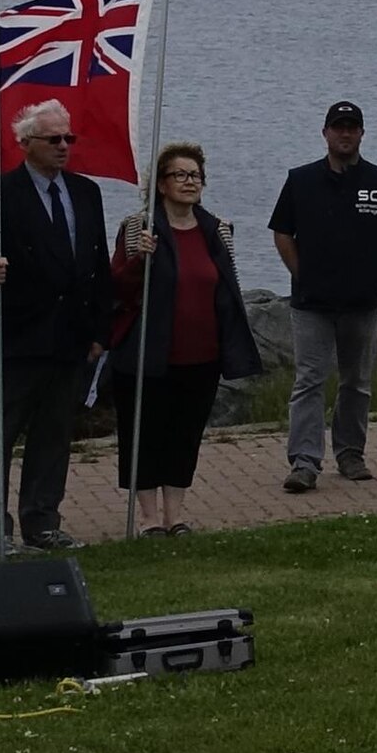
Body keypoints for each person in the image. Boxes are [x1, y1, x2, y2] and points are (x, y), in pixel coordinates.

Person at [0, 100, 114, 554]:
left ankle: (42, 521)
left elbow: (97, 264)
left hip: (70, 339)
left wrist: (101, 331)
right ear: (25, 143)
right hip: (15, 339)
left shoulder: (85, 193)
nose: (64, 146)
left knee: (53, 439)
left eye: (69, 138)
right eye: (54, 139)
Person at [100, 141, 261, 536]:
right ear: (161, 184)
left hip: (201, 355)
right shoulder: (139, 228)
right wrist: (141, 260)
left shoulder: (217, 230)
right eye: (180, 175)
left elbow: (225, 287)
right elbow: (115, 288)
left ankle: (176, 515)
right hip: (148, 354)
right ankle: (149, 517)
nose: (190, 183)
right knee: (145, 433)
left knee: (185, 435)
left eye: (196, 176)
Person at [265, 101, 377, 494]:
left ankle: (350, 454)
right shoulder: (300, 180)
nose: (345, 134)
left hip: (362, 304)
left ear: (362, 133)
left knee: (357, 382)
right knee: (309, 381)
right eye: (338, 127)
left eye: (352, 128)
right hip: (311, 304)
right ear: (325, 132)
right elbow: (281, 231)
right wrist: (300, 272)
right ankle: (305, 462)